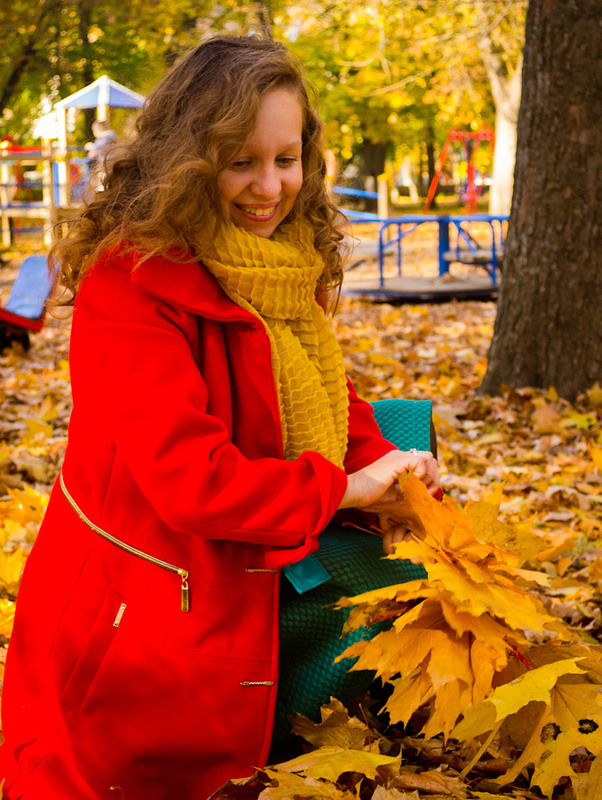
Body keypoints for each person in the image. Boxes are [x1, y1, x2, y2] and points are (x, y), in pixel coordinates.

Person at [0, 36, 440, 800]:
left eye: (286, 158)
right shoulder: (129, 282)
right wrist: (351, 489)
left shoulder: (281, 259)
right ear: (190, 157)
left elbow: (315, 399)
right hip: (135, 621)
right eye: (241, 161)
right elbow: (191, 482)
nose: (269, 186)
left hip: (243, 595)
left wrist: (396, 467)